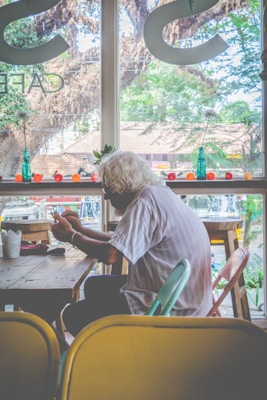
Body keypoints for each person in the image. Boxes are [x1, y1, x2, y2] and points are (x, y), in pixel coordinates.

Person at [51, 150, 212, 337]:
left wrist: (71, 236)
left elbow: (111, 255)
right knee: (94, 285)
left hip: (173, 308)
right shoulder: (158, 193)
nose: (106, 197)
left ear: (122, 188)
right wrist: (80, 229)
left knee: (74, 315)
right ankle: (113, 347)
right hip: (182, 297)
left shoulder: (145, 202)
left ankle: (117, 355)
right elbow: (120, 242)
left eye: (108, 190)